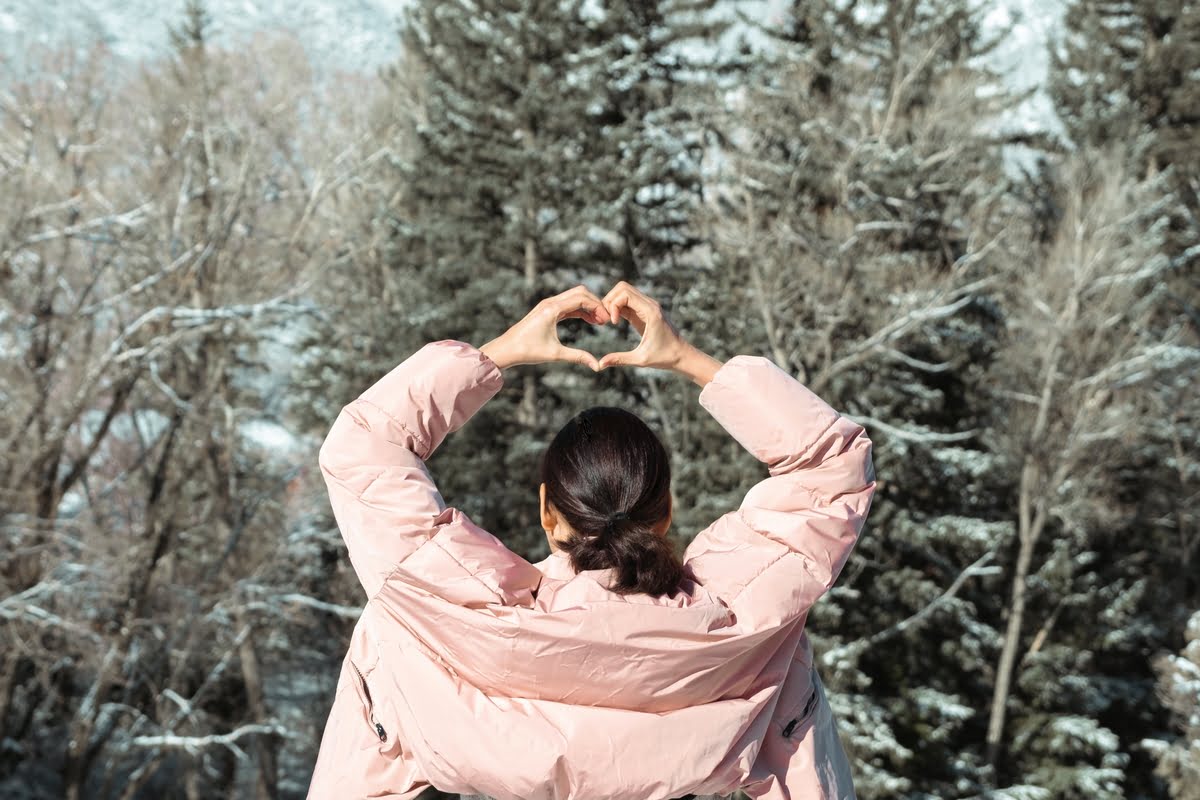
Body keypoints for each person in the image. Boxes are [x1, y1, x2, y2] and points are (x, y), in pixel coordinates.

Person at [307, 282, 877, 800]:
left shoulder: (435, 614)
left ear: (548, 513)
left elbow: (363, 449)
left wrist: (499, 351)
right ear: (666, 511)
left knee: (383, 630)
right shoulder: (743, 627)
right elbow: (830, 469)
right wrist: (687, 358)